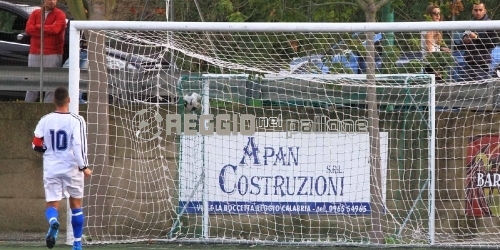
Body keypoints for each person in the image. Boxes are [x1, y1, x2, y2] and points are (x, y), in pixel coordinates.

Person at [32, 86, 92, 250]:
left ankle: (53, 222)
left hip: (51, 167)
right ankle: (77, 244)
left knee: (52, 204)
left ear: (54, 100)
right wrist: (84, 167)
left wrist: (49, 150)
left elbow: (36, 145)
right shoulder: (77, 120)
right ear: (69, 100)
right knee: (76, 205)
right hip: (72, 167)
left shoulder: (45, 120)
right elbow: (80, 146)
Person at [25, 0, 67, 103]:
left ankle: (47, 109)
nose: (52, 2)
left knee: (50, 84)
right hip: (35, 52)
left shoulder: (60, 14)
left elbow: (56, 29)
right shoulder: (35, 13)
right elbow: (29, 29)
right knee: (32, 82)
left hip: (53, 52)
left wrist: (39, 27)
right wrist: (46, 31)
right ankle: (27, 106)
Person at [461, 1, 498, 81]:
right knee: (467, 90)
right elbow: (461, 43)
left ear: (485, 10)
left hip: (483, 65)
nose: (478, 12)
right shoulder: (469, 24)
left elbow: (493, 43)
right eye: (476, 10)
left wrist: (477, 38)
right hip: (468, 63)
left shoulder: (490, 24)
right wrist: (465, 40)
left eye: (480, 10)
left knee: (480, 91)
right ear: (472, 11)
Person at [421, 4, 450, 82]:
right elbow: (429, 50)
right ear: (429, 15)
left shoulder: (436, 29)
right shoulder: (429, 29)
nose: (438, 16)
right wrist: (435, 68)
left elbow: (435, 45)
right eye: (435, 13)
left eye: (439, 13)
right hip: (431, 65)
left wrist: (442, 48)